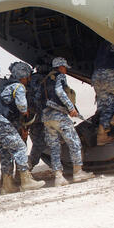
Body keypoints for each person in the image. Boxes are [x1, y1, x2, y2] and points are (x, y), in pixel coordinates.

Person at [0, 61, 46, 194]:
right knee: (20, 147)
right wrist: (25, 116)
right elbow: (22, 108)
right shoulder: (17, 86)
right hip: (2, 121)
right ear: (24, 76)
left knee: (5, 153)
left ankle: (7, 184)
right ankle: (26, 181)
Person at [42, 57, 95, 186]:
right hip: (59, 116)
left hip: (47, 118)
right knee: (75, 143)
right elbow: (59, 91)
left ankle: (58, 177)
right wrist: (71, 108)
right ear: (60, 67)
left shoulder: (45, 80)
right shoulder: (59, 76)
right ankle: (78, 173)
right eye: (65, 68)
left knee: (54, 148)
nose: (65, 70)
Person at [26, 61, 51, 171]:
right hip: (38, 117)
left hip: (35, 117)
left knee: (39, 141)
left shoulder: (33, 80)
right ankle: (28, 166)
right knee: (39, 142)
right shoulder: (39, 80)